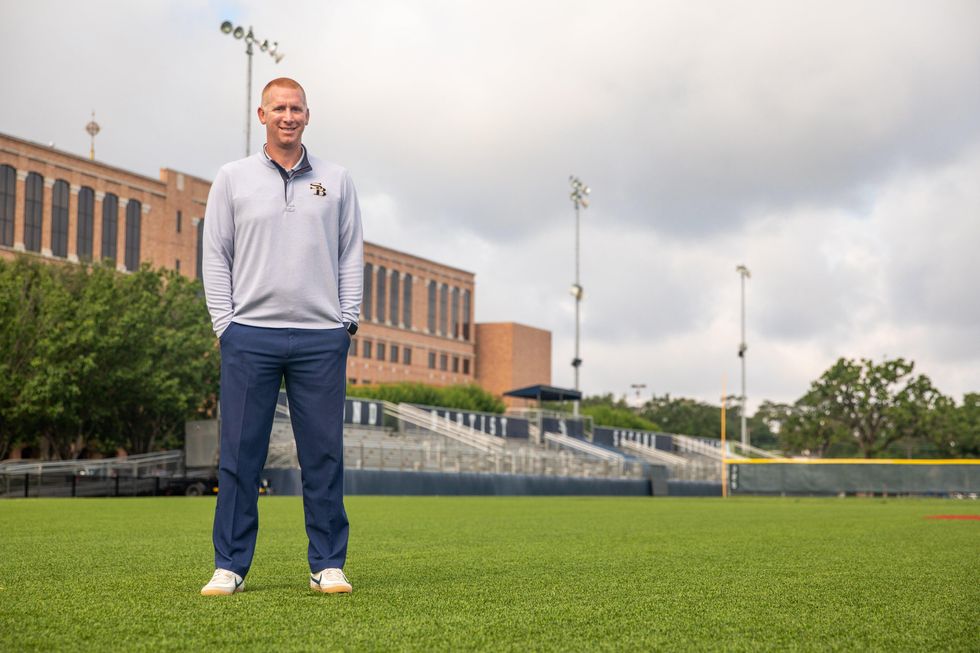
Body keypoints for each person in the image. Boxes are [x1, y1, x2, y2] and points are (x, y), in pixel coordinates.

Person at [199, 77, 363, 596]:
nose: (287, 116)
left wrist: (347, 322)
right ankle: (230, 565)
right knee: (240, 455)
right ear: (261, 115)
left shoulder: (336, 180)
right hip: (250, 337)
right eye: (278, 108)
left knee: (323, 456)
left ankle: (328, 563)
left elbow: (351, 253)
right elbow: (215, 254)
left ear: (308, 116)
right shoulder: (232, 178)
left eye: (296, 108)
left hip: (320, 337)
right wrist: (225, 324)